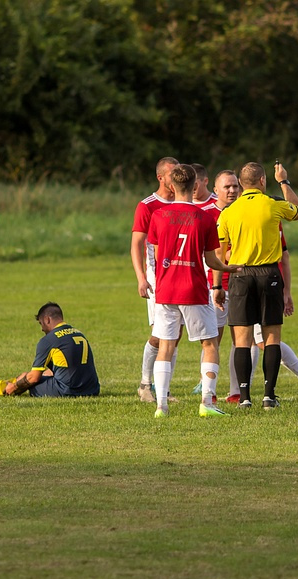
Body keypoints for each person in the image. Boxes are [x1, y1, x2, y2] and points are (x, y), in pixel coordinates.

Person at [147, 164, 240, 417]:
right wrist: (229, 268)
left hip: (166, 290)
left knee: (166, 346)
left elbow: (158, 256)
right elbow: (211, 260)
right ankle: (207, 403)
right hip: (194, 289)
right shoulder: (205, 218)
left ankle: (161, 406)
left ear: (171, 186)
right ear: (195, 185)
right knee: (209, 343)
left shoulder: (158, 216)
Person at [217, 161, 298, 410]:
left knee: (242, 339)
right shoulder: (272, 204)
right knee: (271, 336)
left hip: (239, 275)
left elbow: (220, 253)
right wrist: (283, 181)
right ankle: (268, 396)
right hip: (269, 274)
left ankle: (244, 397)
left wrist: (217, 286)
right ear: (263, 181)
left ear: (241, 184)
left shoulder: (228, 212)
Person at [130, 157, 180, 402]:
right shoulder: (147, 206)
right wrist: (142, 278)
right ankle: (145, 385)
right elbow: (136, 244)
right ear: (160, 177)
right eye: (172, 173)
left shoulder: (184, 202)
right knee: (161, 334)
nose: (177, 177)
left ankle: (164, 389)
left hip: (181, 276)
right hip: (157, 277)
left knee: (175, 335)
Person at [0, 302, 100, 397]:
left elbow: (33, 378)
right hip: (92, 389)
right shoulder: (78, 333)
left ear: (47, 319)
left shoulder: (49, 340)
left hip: (68, 391)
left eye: (41, 323)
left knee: (29, 382)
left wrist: (14, 388)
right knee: (36, 374)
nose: (42, 329)